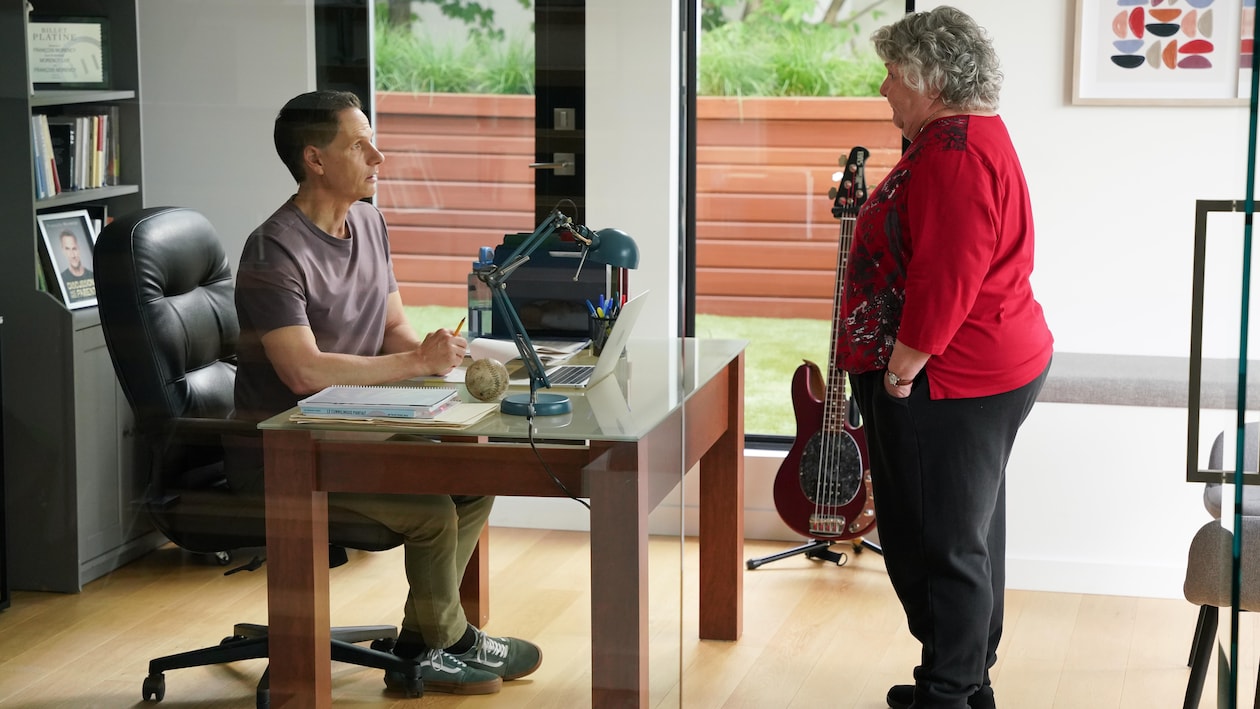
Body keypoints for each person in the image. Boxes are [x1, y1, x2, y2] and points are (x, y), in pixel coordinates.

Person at [230, 89, 542, 695]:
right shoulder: (272, 250)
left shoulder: (369, 223)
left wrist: (442, 364)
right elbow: (303, 373)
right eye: (360, 145)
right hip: (291, 451)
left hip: (361, 427)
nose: (378, 157)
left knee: (474, 478)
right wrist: (413, 361)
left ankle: (422, 644)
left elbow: (393, 328)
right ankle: (448, 641)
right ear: (315, 159)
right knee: (430, 512)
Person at [836, 8, 1054, 709]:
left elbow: (947, 274)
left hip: (949, 375)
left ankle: (948, 693)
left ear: (931, 80)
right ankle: (965, 682)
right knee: (966, 533)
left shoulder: (953, 150)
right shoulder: (965, 134)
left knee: (934, 543)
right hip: (986, 363)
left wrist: (902, 368)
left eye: (893, 75)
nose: (883, 88)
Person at [59, 229, 95, 301]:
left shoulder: (93, 276)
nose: (72, 255)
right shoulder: (61, 280)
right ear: (63, 251)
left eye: (74, 248)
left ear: (79, 249)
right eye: (67, 249)